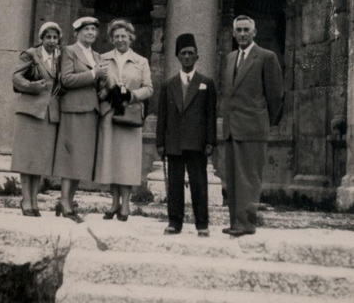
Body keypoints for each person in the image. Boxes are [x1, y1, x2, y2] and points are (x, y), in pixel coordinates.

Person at [223, 14, 284, 236]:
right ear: (233, 33)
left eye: (246, 30)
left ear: (254, 32)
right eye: (238, 30)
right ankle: (235, 222)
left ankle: (246, 224)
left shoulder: (266, 57)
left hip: (253, 127)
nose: (241, 34)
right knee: (233, 178)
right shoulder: (230, 58)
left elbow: (276, 96)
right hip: (232, 128)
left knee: (249, 178)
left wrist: (264, 121)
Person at [156, 33, 217, 236]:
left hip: (197, 142)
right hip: (173, 141)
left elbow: (211, 115)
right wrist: (160, 142)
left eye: (191, 53)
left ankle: (202, 224)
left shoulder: (206, 83)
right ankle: (174, 222)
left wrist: (210, 141)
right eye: (183, 53)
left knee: (199, 183)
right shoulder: (168, 85)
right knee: (174, 184)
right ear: (177, 57)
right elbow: (162, 115)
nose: (188, 57)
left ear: (197, 57)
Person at [94, 19, 153, 221]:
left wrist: (131, 95)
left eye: (124, 36)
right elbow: (98, 85)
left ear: (131, 38)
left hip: (130, 115)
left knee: (127, 160)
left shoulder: (141, 61)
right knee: (111, 158)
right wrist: (105, 91)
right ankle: (113, 203)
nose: (120, 40)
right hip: (110, 114)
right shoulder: (103, 59)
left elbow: (149, 88)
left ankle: (126, 205)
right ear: (111, 38)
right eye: (116, 36)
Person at [53, 16, 108, 222]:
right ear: (77, 33)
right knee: (71, 157)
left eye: (94, 29)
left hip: (90, 110)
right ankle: (64, 202)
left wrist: (103, 82)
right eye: (86, 30)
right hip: (74, 109)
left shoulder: (97, 55)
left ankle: (68, 201)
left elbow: (98, 82)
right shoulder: (69, 51)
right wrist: (94, 73)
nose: (91, 33)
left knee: (81, 159)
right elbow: (66, 79)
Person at [11, 21, 62, 216]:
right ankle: (26, 199)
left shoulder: (60, 57)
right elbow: (16, 77)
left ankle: (35, 200)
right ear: (41, 39)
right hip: (30, 111)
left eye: (54, 37)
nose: (51, 41)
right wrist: (33, 86)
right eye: (48, 37)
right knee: (27, 157)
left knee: (40, 158)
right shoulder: (31, 54)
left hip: (49, 113)